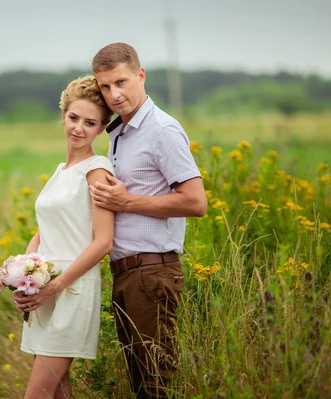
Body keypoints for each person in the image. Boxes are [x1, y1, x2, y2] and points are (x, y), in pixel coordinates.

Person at [89, 42, 207, 398]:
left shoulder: (161, 130)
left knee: (157, 384)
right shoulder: (121, 133)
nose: (114, 94)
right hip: (126, 273)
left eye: (121, 82)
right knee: (141, 384)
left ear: (141, 75)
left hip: (152, 274)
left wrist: (127, 201)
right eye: (105, 87)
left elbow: (195, 201)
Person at [13, 75, 115, 399]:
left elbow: (104, 241)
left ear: (101, 128)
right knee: (57, 393)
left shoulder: (97, 170)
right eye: (73, 118)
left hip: (72, 290)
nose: (78, 128)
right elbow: (43, 232)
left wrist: (56, 285)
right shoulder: (61, 170)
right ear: (63, 116)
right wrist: (25, 275)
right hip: (45, 289)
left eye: (90, 122)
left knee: (36, 396)